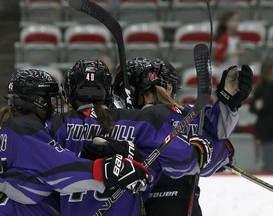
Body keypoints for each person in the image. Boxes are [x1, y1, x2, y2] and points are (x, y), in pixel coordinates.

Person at [46, 59, 214, 216]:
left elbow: (35, 172)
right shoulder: (137, 121)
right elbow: (184, 159)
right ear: (108, 91)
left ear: (70, 91)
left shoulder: (57, 126)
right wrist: (196, 149)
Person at [0, 68, 151, 215]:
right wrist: (105, 169)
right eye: (49, 98)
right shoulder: (23, 128)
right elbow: (57, 169)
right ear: (37, 101)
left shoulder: (13, 127)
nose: (53, 104)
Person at [112, 57, 253, 216]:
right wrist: (227, 102)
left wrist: (228, 101)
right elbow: (220, 143)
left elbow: (219, 142)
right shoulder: (187, 115)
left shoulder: (133, 120)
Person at [250, 60, 273, 172]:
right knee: (268, 159)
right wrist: (259, 105)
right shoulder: (261, 89)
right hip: (266, 129)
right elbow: (253, 108)